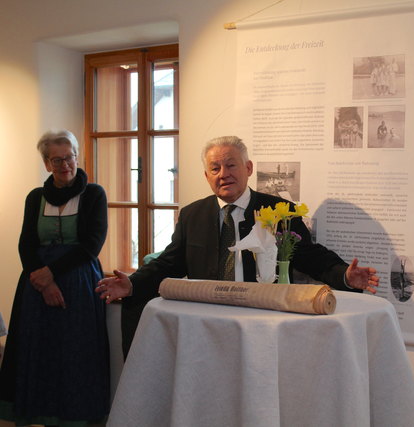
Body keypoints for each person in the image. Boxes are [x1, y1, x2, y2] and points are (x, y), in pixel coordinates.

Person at [97, 136, 379, 356]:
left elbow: (311, 257)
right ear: (207, 176)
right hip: (208, 324)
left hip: (263, 322)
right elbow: (168, 263)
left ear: (248, 168)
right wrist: (133, 283)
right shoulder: (192, 214)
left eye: (231, 165)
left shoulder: (278, 211)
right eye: (215, 168)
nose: (224, 174)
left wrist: (345, 275)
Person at [0, 130, 110, 426]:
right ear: (47, 164)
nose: (65, 164)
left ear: (77, 157)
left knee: (74, 352)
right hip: (36, 287)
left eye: (69, 157)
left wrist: (50, 273)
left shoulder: (94, 194)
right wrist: (42, 280)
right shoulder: (35, 197)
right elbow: (26, 244)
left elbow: (92, 244)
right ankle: (40, 413)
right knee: (39, 351)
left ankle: (74, 417)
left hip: (79, 284)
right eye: (56, 159)